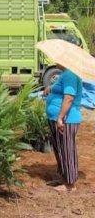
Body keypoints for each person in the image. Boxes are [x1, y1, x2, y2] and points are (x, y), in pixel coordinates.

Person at [43, 64, 83, 192]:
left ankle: (70, 184)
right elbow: (62, 90)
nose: (55, 62)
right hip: (56, 118)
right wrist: (51, 89)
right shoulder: (65, 74)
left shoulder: (70, 74)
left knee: (67, 150)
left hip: (67, 120)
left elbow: (69, 98)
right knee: (60, 149)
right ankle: (63, 177)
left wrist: (60, 117)